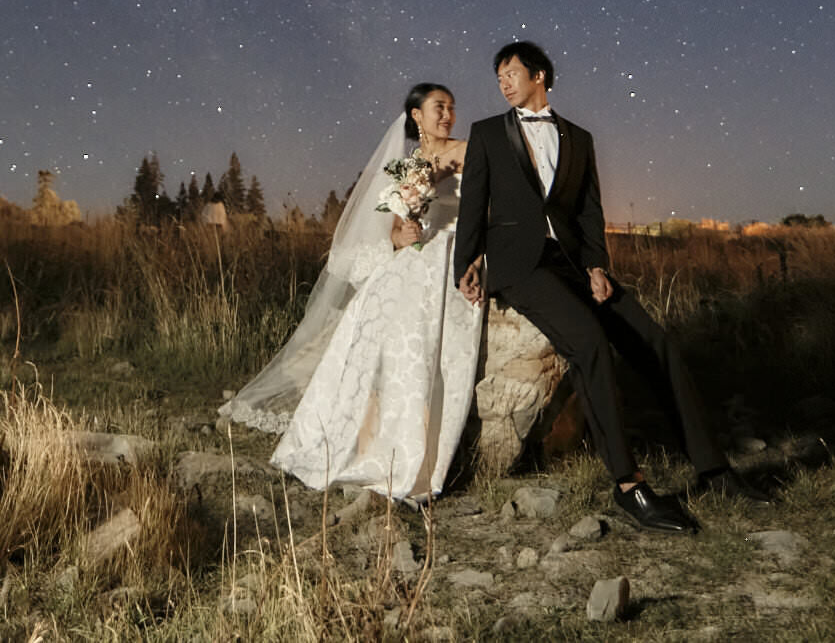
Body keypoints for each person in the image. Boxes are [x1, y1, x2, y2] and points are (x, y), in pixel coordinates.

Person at [453, 41, 764, 534]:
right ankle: (629, 486)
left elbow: (590, 212)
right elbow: (473, 205)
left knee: (655, 343)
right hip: (521, 267)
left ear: (539, 75)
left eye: (511, 73)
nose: (503, 83)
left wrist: (598, 266)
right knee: (591, 345)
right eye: (498, 78)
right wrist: (465, 266)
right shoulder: (488, 133)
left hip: (576, 264)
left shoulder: (579, 138)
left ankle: (714, 469)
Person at [220, 83, 485, 502]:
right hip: (419, 250)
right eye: (439, 107)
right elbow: (396, 229)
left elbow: (484, 206)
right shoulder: (407, 166)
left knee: (417, 318)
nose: (447, 115)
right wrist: (403, 234)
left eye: (452, 107)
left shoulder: (468, 149)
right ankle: (353, 437)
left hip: (456, 247)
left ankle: (415, 450)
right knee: (372, 314)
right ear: (416, 115)